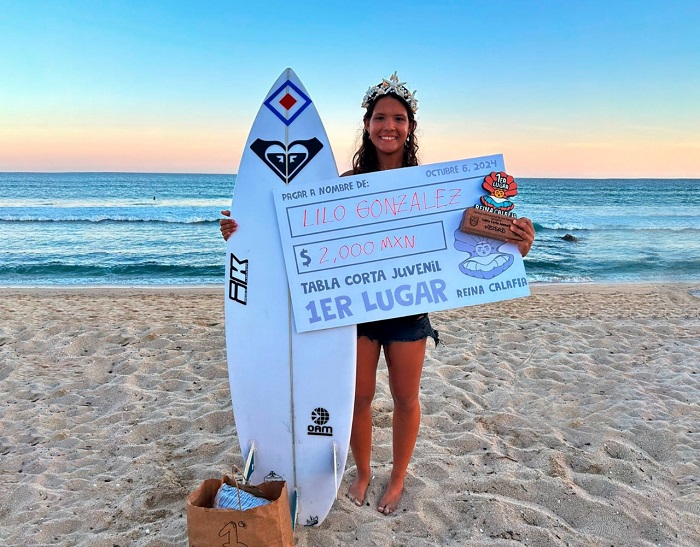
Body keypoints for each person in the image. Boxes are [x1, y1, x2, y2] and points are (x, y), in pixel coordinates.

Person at [219, 72, 535, 515]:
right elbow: (292, 228)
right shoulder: (344, 182)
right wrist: (241, 230)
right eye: (381, 117)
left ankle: (399, 476)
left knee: (406, 397)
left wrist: (518, 239)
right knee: (358, 396)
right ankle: (364, 470)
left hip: (408, 309)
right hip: (357, 310)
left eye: (399, 118)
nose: (390, 125)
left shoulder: (434, 187)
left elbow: (478, 232)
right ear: (368, 125)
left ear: (410, 128)